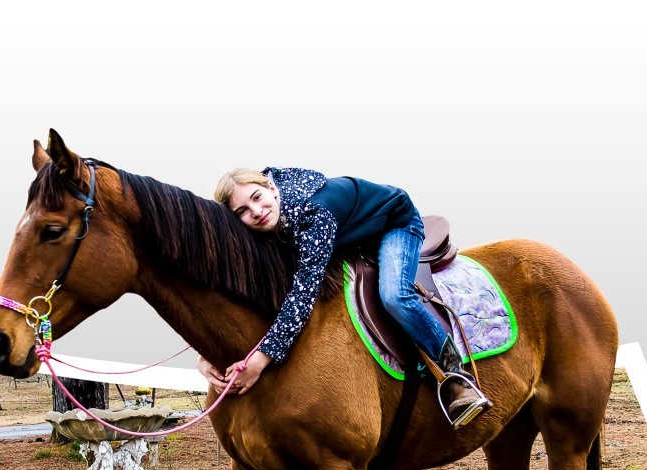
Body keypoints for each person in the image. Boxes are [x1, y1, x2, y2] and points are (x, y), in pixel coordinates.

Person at [197, 167, 491, 428]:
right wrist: (204, 351)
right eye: (243, 211)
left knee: (395, 296)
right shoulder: (269, 214)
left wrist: (260, 361)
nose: (256, 211)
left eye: (257, 198)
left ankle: (457, 374)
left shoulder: (315, 213)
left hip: (393, 224)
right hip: (347, 232)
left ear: (271, 188)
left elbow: (303, 295)